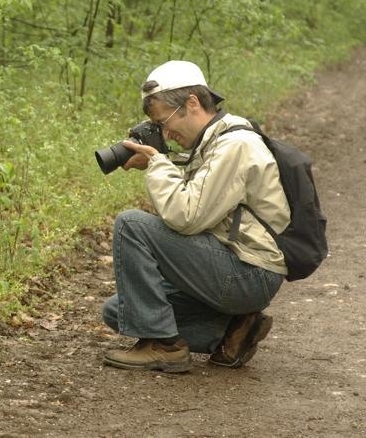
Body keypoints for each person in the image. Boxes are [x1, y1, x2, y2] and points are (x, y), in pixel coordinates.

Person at [101, 60, 290, 373]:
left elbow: (186, 215)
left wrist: (157, 163)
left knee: (131, 224)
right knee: (120, 310)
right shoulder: (217, 140)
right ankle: (233, 331)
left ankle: (164, 347)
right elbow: (205, 194)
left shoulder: (236, 144)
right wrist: (161, 164)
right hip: (235, 264)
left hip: (249, 273)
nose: (166, 132)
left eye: (165, 122)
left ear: (192, 103)